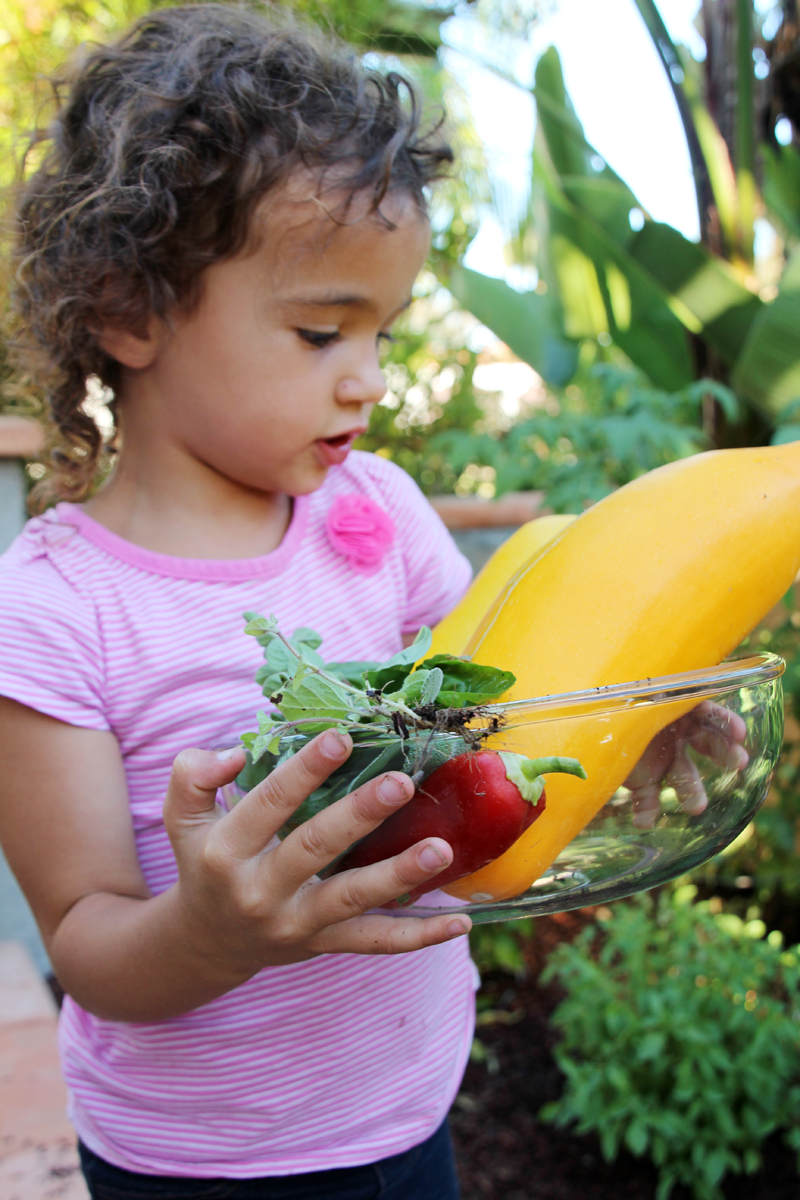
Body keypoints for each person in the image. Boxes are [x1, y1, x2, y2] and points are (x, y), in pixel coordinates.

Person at [0, 6, 477, 1197]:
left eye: (381, 332)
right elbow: (88, 938)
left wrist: (635, 721)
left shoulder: (380, 512)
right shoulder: (56, 611)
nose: (368, 377)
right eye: (321, 330)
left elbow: (509, 714)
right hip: (196, 1163)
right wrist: (205, 936)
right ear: (127, 309)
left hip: (410, 1108)